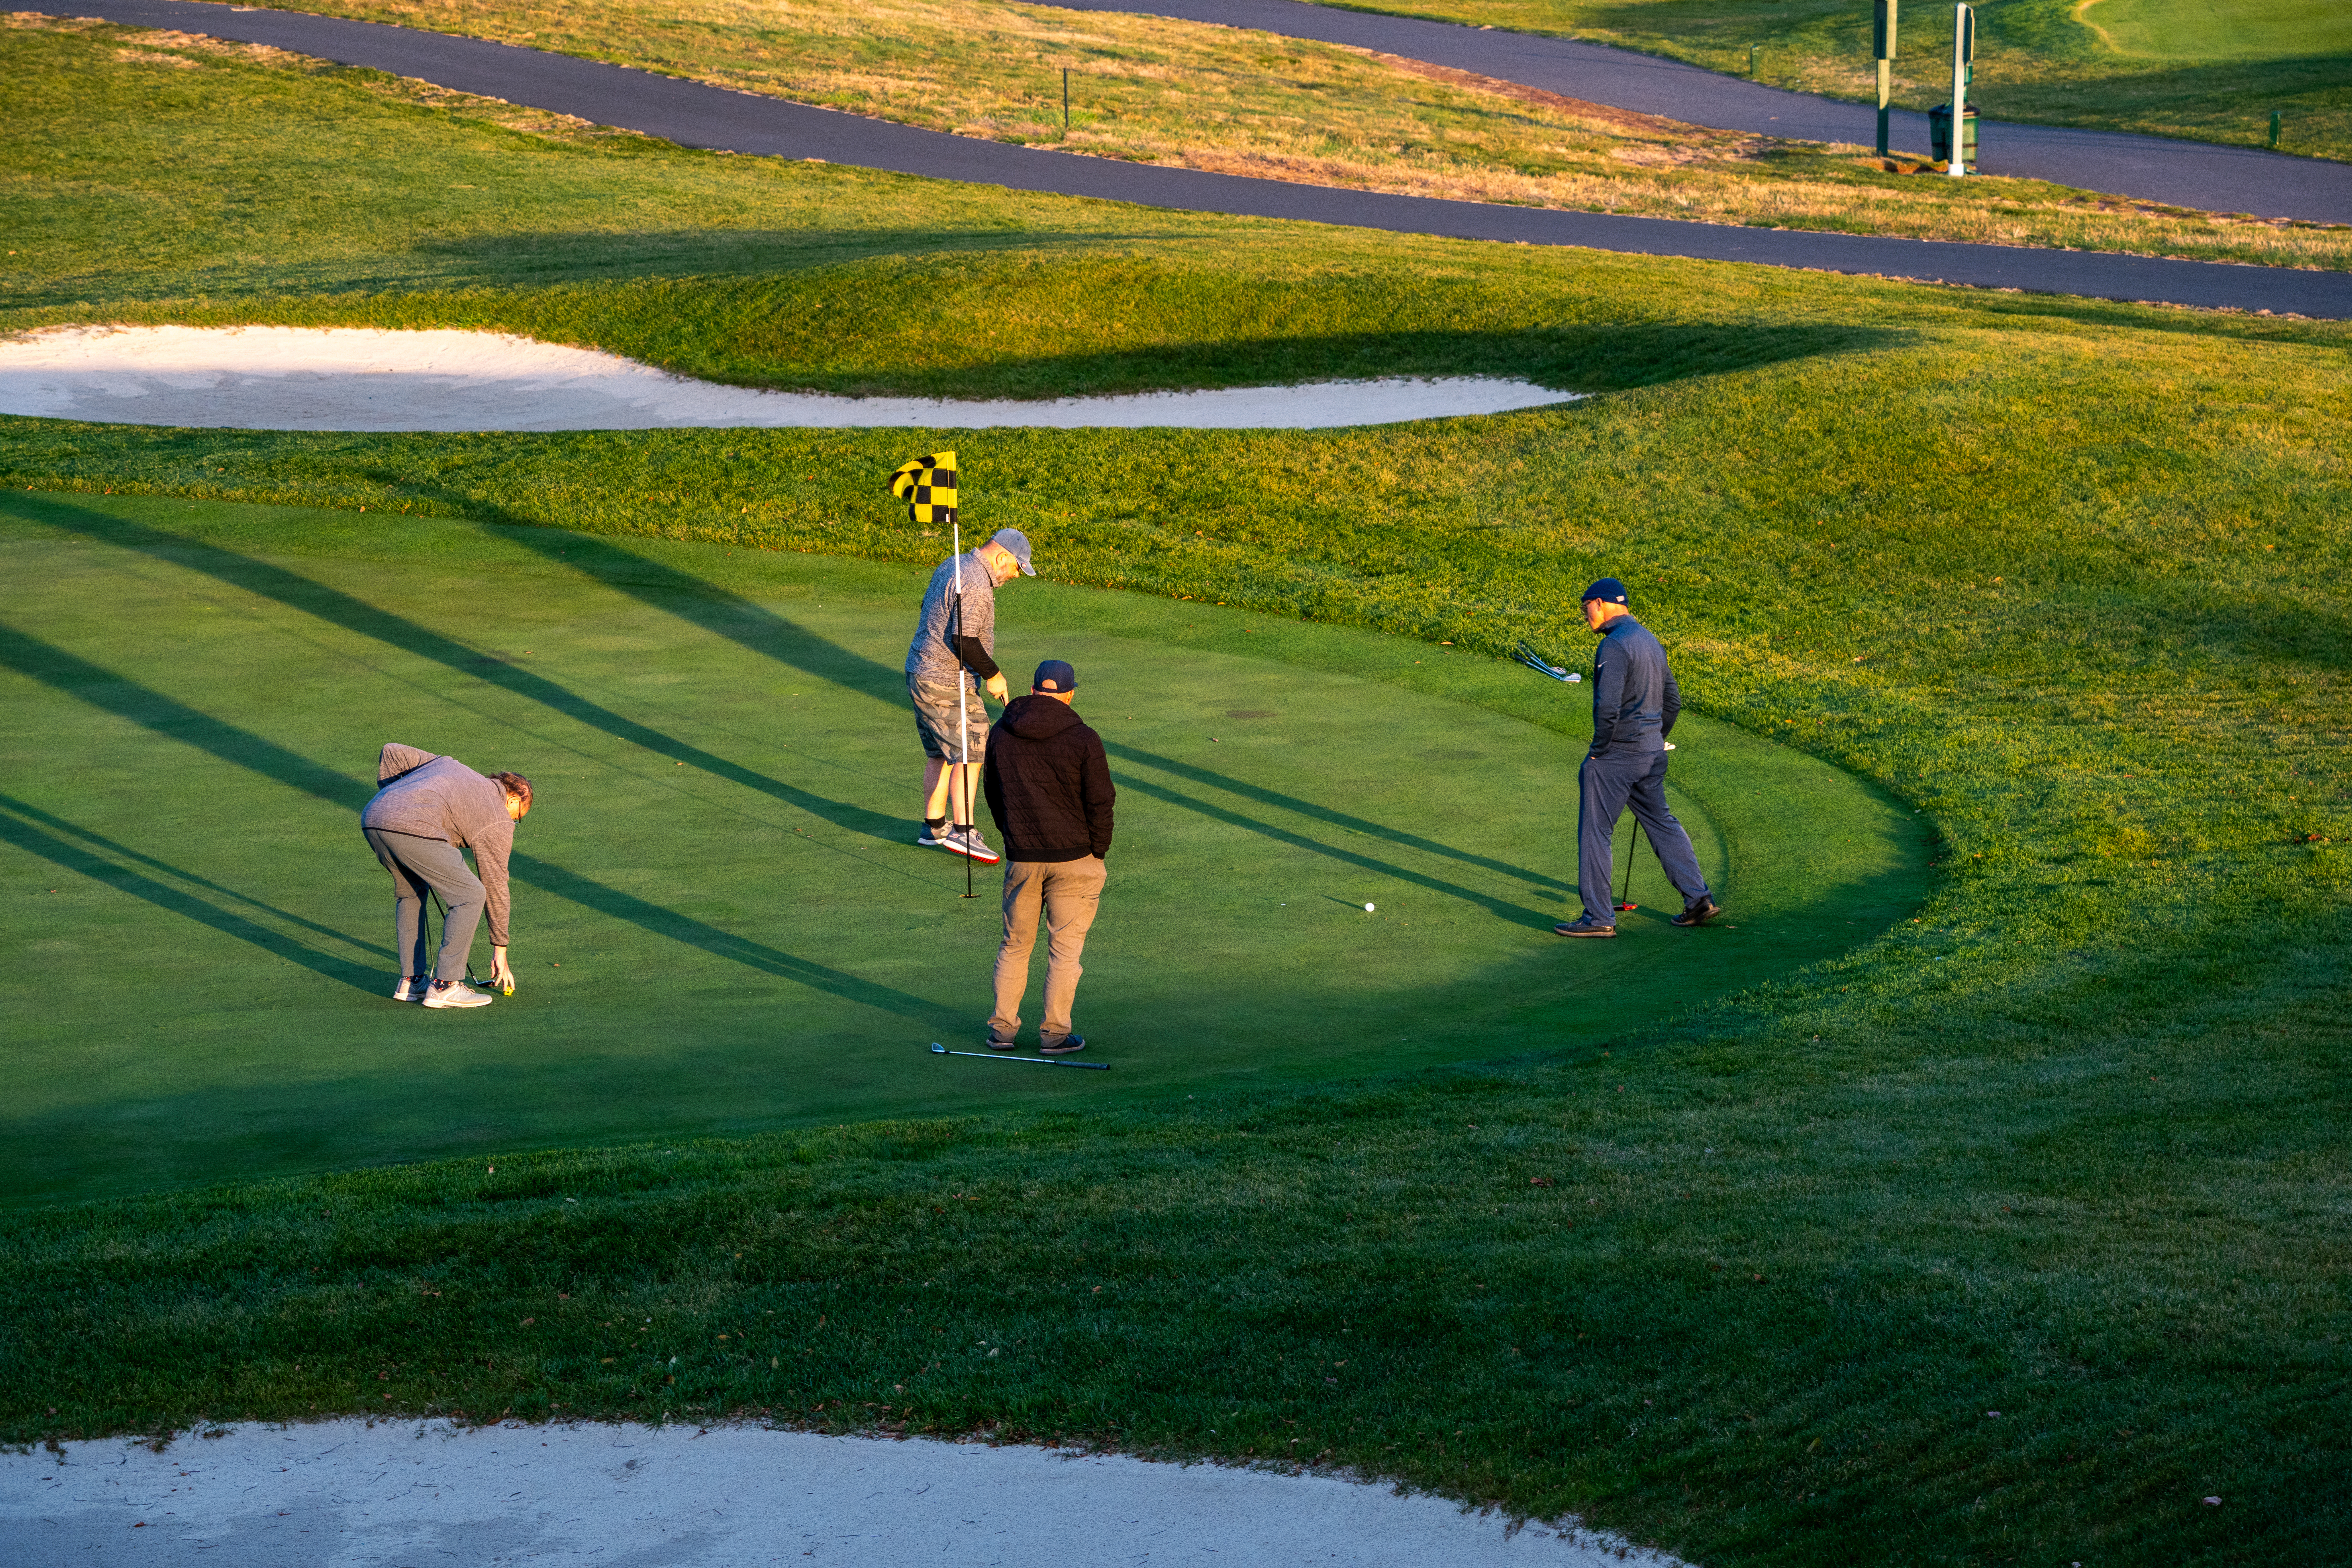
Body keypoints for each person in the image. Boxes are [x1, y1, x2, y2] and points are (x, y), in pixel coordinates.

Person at [1554, 579, 1720, 938]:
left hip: (1618, 755)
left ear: (1600, 604)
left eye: (1586, 609)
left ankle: (1599, 917)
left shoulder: (1614, 645)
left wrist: (1599, 750)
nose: (1586, 617)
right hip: (1651, 754)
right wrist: (1656, 738)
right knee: (1661, 822)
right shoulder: (1649, 640)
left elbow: (1607, 708)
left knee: (1596, 830)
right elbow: (1672, 701)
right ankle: (1698, 899)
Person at [980, 659, 1115, 1055]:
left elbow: (993, 793)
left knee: (1015, 945)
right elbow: (1101, 801)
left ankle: (1002, 1031)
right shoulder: (1084, 737)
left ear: (1036, 690)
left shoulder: (1003, 731)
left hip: (1023, 856)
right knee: (1065, 951)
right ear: (1070, 694)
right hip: (1076, 860)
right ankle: (1055, 1035)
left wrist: (1014, 838)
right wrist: (1099, 850)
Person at [362, 743, 532, 1008]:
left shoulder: (450, 765)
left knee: (411, 893)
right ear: (513, 800)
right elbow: (495, 883)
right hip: (412, 826)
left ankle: (412, 982)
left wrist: (398, 798)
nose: (513, 822)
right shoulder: (498, 815)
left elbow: (392, 751)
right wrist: (501, 949)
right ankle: (446, 986)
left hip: (374, 817)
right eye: (518, 816)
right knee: (470, 895)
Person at [904, 528, 1036, 863]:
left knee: (941, 752)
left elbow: (928, 608)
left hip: (921, 671)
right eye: (1017, 567)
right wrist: (994, 675)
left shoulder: (955, 563)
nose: (1015, 575)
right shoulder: (977, 582)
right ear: (1003, 557)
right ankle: (963, 833)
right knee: (972, 747)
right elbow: (964, 639)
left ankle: (934, 828)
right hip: (946, 680)